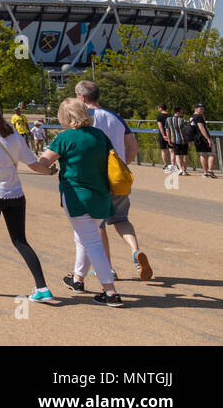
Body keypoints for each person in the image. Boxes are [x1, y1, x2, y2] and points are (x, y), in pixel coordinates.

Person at [0, 95, 58, 303]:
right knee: (20, 241)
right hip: (15, 193)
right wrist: (50, 172)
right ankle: (42, 287)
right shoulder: (14, 134)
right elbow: (33, 164)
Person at [37, 98, 124, 306]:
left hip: (77, 197)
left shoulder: (65, 138)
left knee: (92, 243)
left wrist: (47, 169)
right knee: (85, 237)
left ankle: (110, 292)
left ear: (65, 117)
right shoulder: (100, 136)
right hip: (101, 196)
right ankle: (77, 279)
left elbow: (43, 161)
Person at [74, 80, 151, 282]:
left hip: (95, 179)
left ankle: (107, 268)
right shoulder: (115, 117)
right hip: (117, 177)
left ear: (82, 97)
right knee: (121, 219)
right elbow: (133, 146)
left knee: (98, 225)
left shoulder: (82, 119)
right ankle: (135, 251)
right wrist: (122, 165)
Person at [164, 107, 192, 176]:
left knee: (177, 155)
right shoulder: (183, 121)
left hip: (174, 140)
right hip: (184, 140)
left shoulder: (168, 120)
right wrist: (190, 140)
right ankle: (185, 171)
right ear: (177, 112)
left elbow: (167, 130)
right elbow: (187, 131)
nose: (182, 114)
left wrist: (169, 139)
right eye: (181, 112)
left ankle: (180, 169)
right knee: (185, 155)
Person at [190, 104, 216, 178]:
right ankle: (210, 171)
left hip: (197, 138)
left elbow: (191, 129)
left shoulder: (192, 117)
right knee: (211, 153)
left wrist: (191, 139)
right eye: (200, 109)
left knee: (202, 154)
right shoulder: (199, 117)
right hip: (204, 137)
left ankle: (205, 172)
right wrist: (208, 139)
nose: (202, 110)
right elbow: (202, 128)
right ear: (195, 109)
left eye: (203, 109)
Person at [154, 104, 173, 171]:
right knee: (172, 151)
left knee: (163, 150)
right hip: (171, 134)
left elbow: (160, 126)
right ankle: (173, 165)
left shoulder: (159, 116)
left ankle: (166, 165)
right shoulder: (171, 115)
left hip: (163, 135)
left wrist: (163, 135)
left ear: (160, 108)